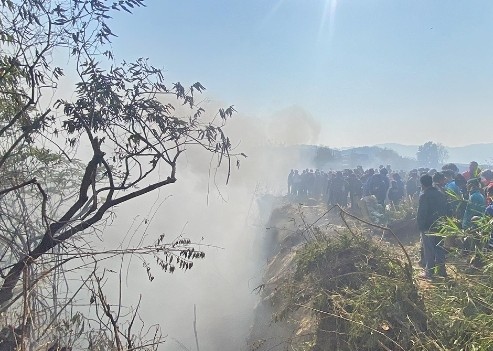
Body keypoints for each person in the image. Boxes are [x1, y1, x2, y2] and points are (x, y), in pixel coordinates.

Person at [417, 174, 450, 278]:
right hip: (440, 225)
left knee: (429, 250)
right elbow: (446, 209)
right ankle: (442, 271)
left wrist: (420, 227)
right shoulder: (440, 194)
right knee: (439, 248)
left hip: (428, 226)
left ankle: (429, 272)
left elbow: (422, 213)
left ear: (422, 184)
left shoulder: (424, 196)